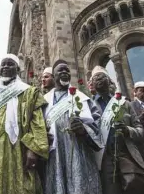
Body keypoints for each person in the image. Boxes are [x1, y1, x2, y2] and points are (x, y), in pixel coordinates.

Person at [0, 54, 49, 194]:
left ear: (18, 69)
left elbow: (37, 122)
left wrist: (33, 150)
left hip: (16, 148)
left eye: (10, 64)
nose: (6, 67)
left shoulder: (29, 92)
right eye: (3, 64)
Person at [44, 60, 103, 194]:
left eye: (67, 71)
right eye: (61, 71)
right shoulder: (45, 101)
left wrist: (84, 129)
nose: (65, 72)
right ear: (54, 76)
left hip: (79, 150)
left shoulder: (82, 98)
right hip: (55, 154)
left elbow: (97, 123)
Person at [91, 66, 144, 194]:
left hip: (127, 155)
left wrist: (127, 130)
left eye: (102, 77)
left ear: (109, 80)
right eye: (95, 78)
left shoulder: (124, 103)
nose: (99, 80)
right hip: (105, 160)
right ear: (92, 84)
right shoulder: (89, 106)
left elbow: (140, 130)